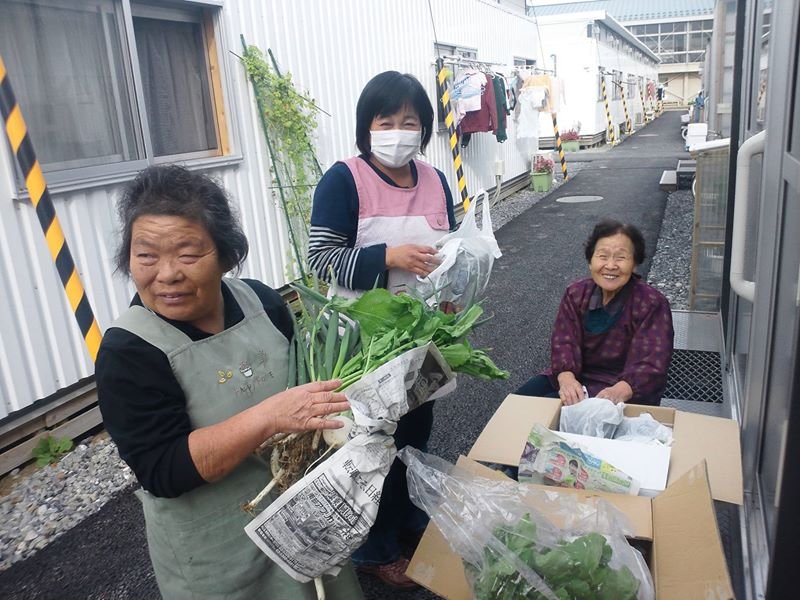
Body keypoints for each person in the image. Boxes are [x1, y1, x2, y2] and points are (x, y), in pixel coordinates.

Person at [96, 165, 363, 600]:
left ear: (225, 255)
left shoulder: (262, 302)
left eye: (187, 254)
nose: (166, 274)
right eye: (146, 255)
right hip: (219, 555)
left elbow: (313, 385)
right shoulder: (130, 352)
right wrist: (269, 417)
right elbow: (163, 470)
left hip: (306, 521)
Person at [307, 71, 457, 589]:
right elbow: (321, 260)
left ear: (424, 128)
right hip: (362, 343)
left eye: (409, 121)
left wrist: (455, 292)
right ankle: (372, 550)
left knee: (414, 434)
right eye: (385, 121)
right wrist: (387, 257)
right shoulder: (344, 180)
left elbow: (451, 252)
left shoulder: (436, 180)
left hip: (418, 339)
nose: (398, 131)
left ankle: (409, 524)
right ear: (366, 127)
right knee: (370, 446)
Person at [516, 220, 674, 406]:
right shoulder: (575, 293)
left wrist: (617, 392)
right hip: (576, 375)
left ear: (635, 264)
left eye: (621, 258)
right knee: (521, 400)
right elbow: (564, 341)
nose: (610, 265)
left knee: (548, 411)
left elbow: (651, 364)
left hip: (623, 388)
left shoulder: (651, 303)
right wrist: (566, 379)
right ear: (590, 261)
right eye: (603, 256)